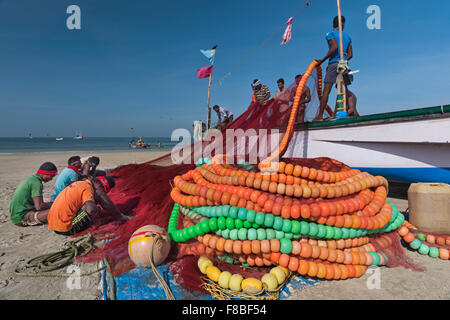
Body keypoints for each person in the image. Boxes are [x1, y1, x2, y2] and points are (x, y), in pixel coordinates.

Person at [47, 176, 131, 236]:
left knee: (90, 204)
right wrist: (98, 204)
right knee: (95, 208)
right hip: (65, 228)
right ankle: (120, 216)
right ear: (100, 186)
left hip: (53, 225)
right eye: (103, 190)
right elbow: (91, 210)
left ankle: (119, 215)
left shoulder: (80, 183)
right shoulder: (88, 188)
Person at [313, 15, 356, 121]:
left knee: (326, 91)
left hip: (333, 63)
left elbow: (335, 47)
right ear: (343, 24)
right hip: (344, 65)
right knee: (342, 89)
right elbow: (351, 54)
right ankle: (338, 113)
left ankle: (320, 116)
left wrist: (322, 61)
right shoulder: (348, 37)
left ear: (333, 24)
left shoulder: (330, 34)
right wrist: (344, 59)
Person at [9, 162, 58, 227]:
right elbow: (39, 206)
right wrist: (53, 205)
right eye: (51, 176)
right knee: (57, 210)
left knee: (50, 202)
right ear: (45, 173)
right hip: (21, 218)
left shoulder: (31, 179)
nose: (51, 179)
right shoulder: (37, 183)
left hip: (16, 214)